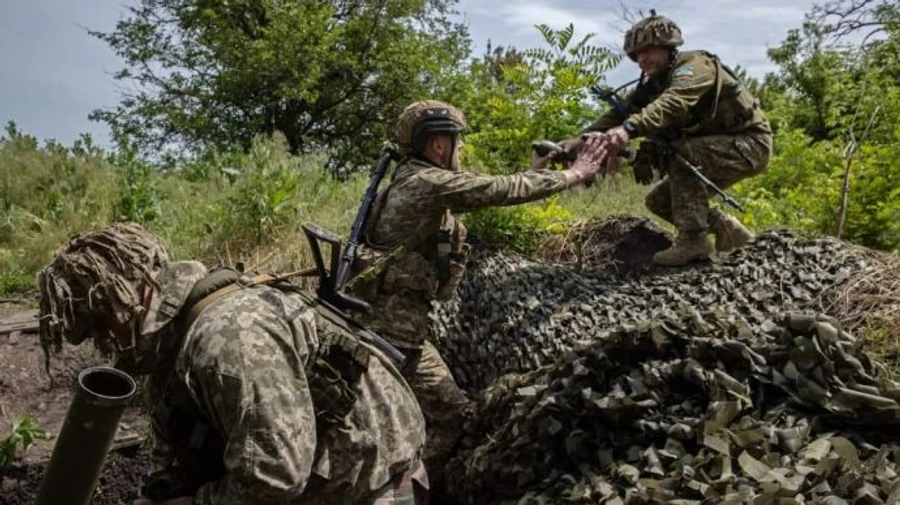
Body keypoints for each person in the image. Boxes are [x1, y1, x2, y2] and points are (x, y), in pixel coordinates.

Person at [37, 222, 428, 505]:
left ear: (134, 293)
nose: (103, 344)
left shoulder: (227, 338)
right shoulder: (169, 344)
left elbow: (275, 476)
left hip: (371, 488)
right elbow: (180, 450)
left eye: (103, 325)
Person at [344, 99, 610, 479]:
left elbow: (488, 188)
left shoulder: (414, 179)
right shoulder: (427, 183)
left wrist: (535, 170)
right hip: (391, 338)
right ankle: (394, 486)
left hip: (401, 332)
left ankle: (411, 484)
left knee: (452, 413)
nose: (462, 149)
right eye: (457, 141)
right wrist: (575, 174)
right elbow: (497, 190)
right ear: (438, 145)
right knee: (437, 417)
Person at [561, 11, 773, 266]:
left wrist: (629, 129)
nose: (641, 59)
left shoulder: (695, 66)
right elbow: (618, 114)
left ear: (668, 47)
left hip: (750, 144)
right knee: (660, 201)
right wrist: (579, 139)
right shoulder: (653, 84)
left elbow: (672, 104)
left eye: (647, 51)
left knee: (683, 152)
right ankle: (725, 227)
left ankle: (694, 241)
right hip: (720, 148)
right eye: (636, 55)